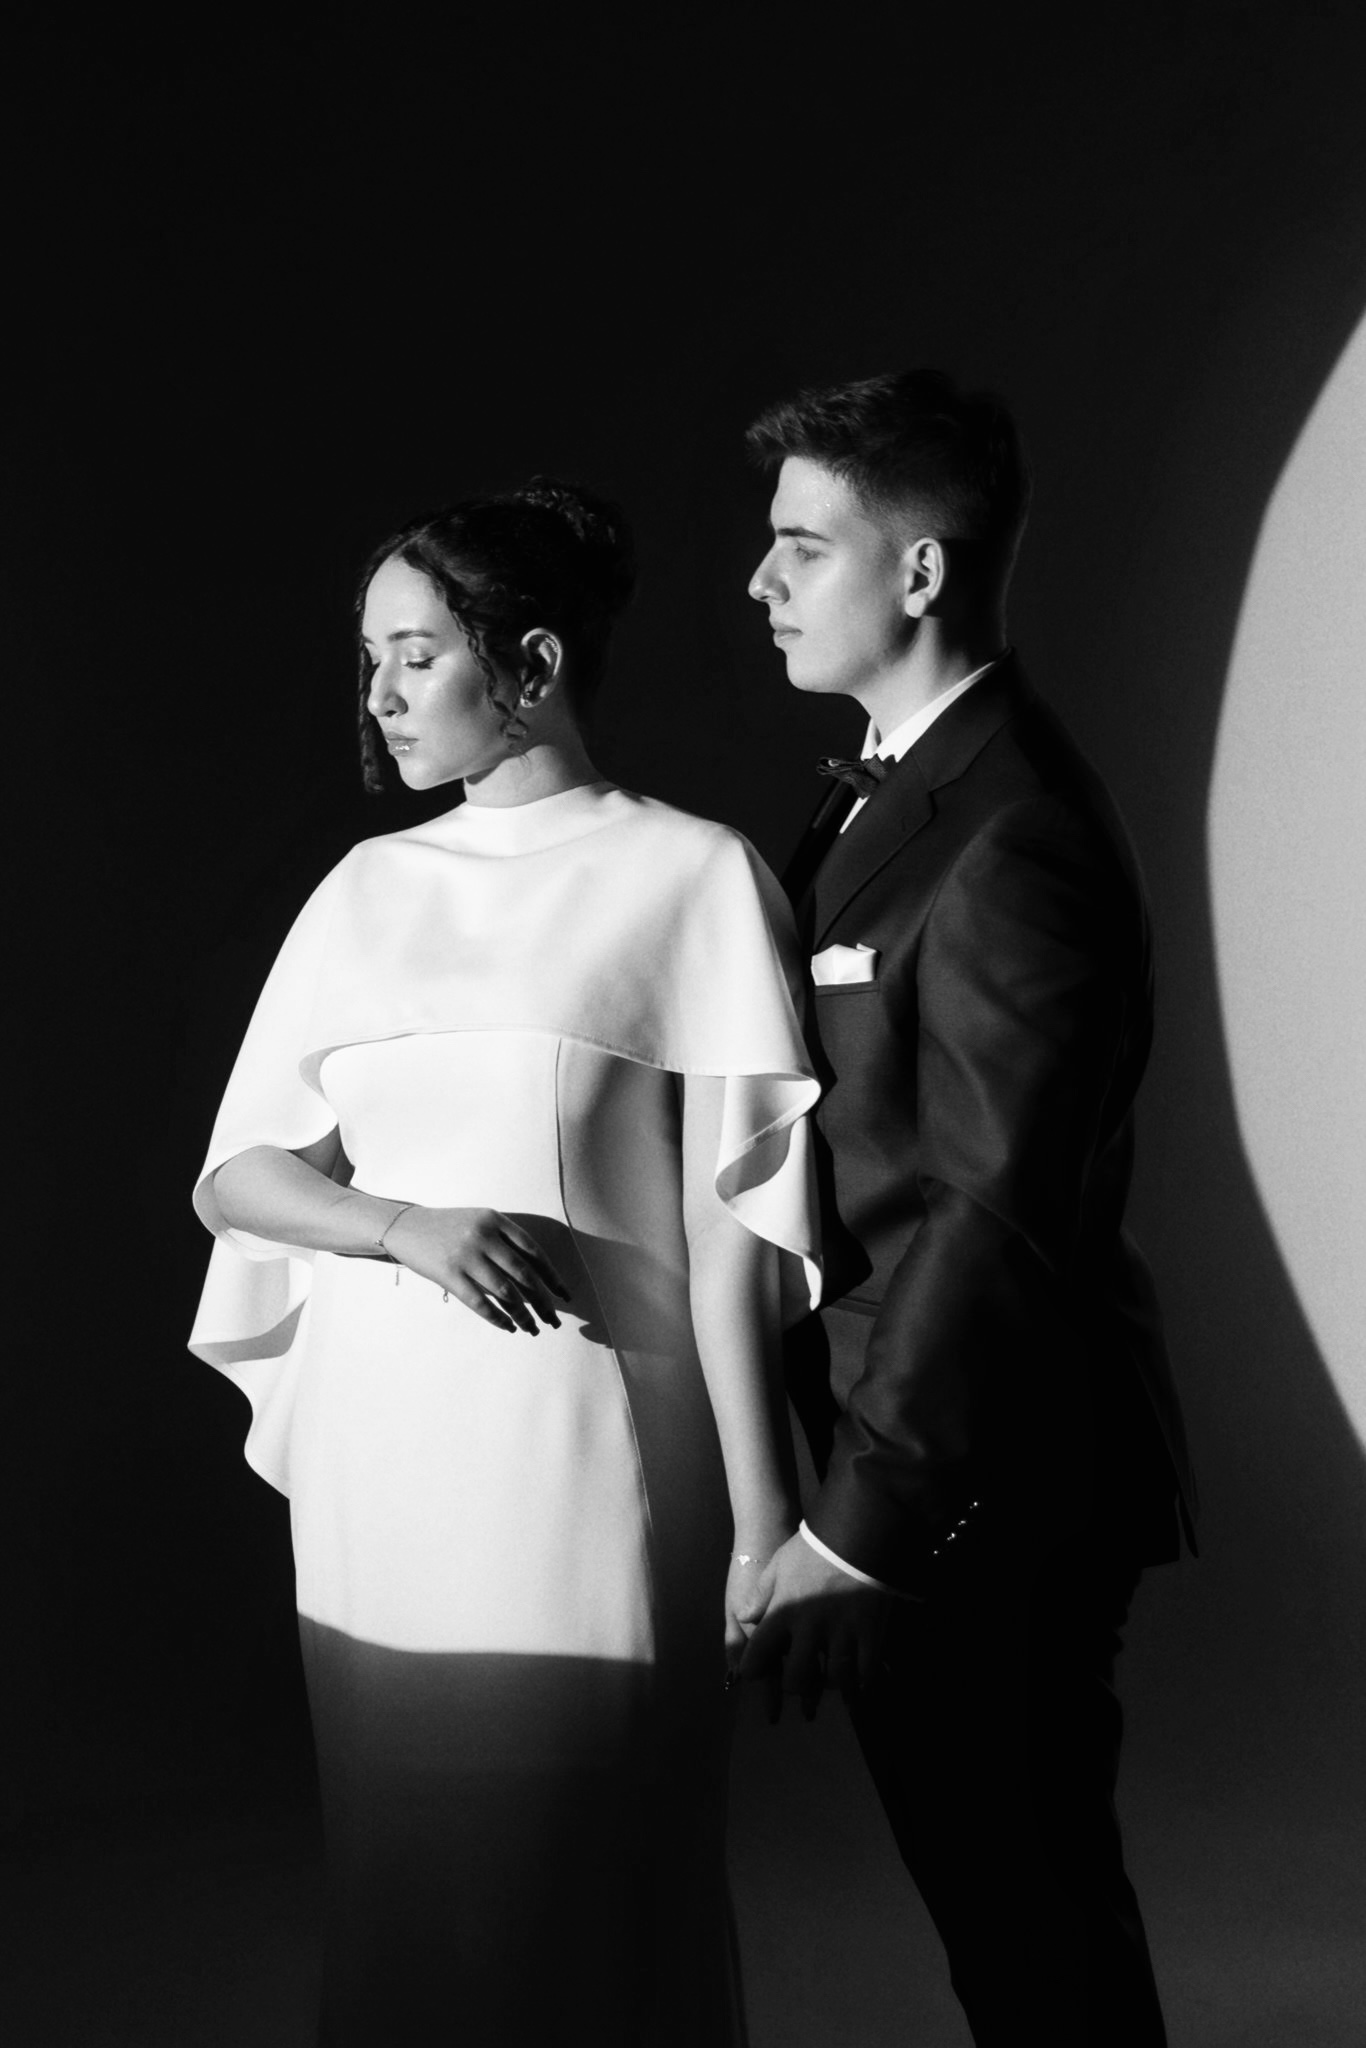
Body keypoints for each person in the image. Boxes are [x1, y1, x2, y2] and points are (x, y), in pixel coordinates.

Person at [187, 479, 821, 2046]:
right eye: (371, 660)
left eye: (414, 655)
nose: (379, 694)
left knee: (594, 1867)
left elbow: (731, 1235)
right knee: (407, 1866)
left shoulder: (689, 873)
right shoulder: (364, 891)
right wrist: (404, 1227)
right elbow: (240, 1175)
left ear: (530, 662)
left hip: (593, 1444)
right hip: (383, 1462)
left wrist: (767, 1528)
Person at [738, 370, 1198, 2046]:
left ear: (918, 571)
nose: (760, 582)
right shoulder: (882, 786)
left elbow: (993, 1210)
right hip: (924, 1457)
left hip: (977, 1484)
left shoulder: (1011, 832)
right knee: (1007, 1931)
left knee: (1031, 1936)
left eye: (802, 547)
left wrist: (858, 1529)